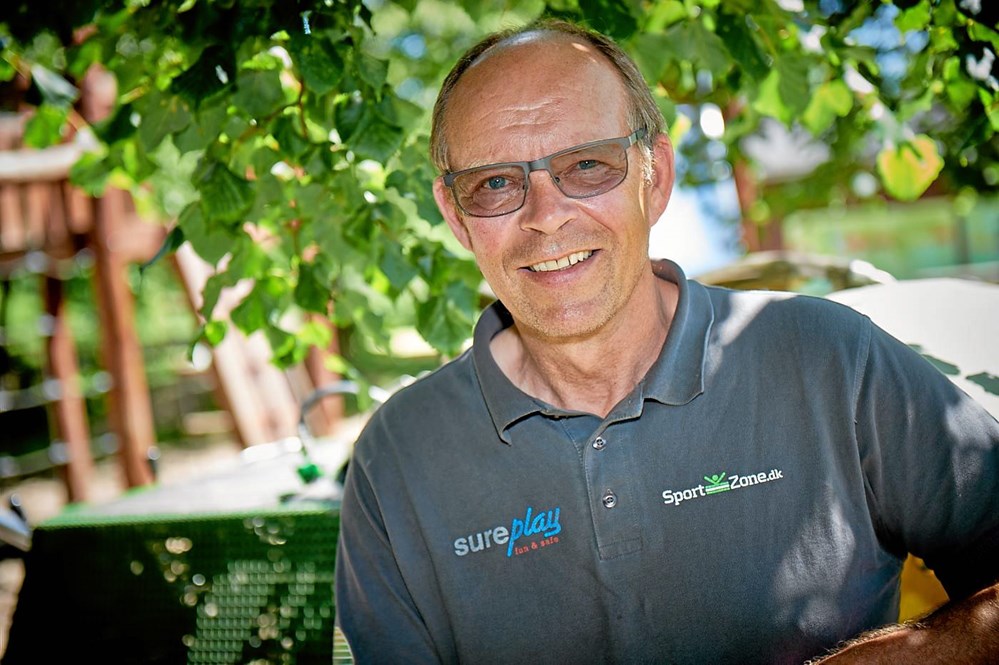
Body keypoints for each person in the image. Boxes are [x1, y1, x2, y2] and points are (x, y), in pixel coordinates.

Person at [334, 18, 999, 664]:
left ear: (654, 176)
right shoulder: (397, 457)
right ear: (455, 216)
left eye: (586, 165)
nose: (546, 217)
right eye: (496, 183)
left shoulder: (827, 358)